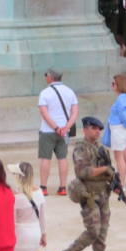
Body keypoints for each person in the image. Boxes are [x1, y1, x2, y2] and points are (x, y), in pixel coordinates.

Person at [61, 116, 119, 251]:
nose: (97, 131)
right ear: (85, 130)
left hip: (104, 195)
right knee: (93, 231)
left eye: (99, 129)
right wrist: (104, 170)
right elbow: (83, 172)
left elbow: (109, 173)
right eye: (93, 128)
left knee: (102, 234)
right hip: (89, 195)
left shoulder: (103, 150)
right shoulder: (81, 149)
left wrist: (115, 185)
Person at [37, 67, 78, 196]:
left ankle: (43, 187)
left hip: (48, 131)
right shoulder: (70, 92)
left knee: (45, 159)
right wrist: (65, 128)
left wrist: (55, 128)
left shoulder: (45, 93)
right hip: (64, 131)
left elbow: (44, 114)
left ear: (50, 77)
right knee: (62, 158)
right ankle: (62, 187)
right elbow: (75, 113)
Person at [10, 162, 46, 251]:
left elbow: (12, 220)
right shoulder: (39, 192)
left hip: (21, 234)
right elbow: (42, 217)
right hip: (36, 233)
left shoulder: (16, 195)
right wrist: (44, 235)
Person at [102, 75, 126, 191]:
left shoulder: (120, 99)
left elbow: (123, 114)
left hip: (119, 129)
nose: (112, 85)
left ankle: (121, 184)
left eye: (113, 83)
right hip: (125, 130)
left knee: (119, 158)